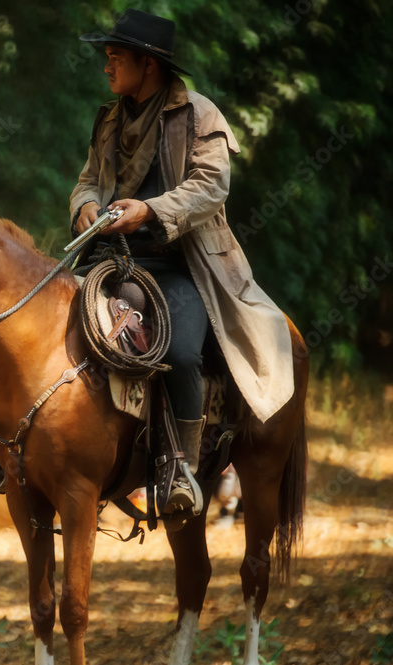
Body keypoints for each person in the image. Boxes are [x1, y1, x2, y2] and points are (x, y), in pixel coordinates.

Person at [69, 9, 294, 517]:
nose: (107, 68)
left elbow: (211, 187)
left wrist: (149, 210)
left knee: (184, 354)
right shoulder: (109, 116)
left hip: (181, 264)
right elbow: (88, 179)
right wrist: (83, 205)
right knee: (38, 315)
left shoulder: (200, 115)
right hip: (112, 257)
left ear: (147, 64)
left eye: (115, 58)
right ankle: (28, 446)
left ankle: (180, 467)